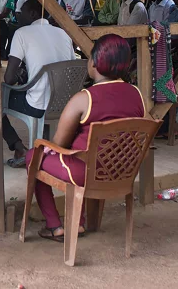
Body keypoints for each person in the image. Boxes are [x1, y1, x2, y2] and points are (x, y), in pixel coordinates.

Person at [24, 34, 145, 241]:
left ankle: (54, 225)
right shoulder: (137, 95)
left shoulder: (84, 99)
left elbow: (59, 144)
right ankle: (77, 223)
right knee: (83, 156)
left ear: (95, 63)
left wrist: (44, 145)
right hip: (121, 172)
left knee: (34, 155)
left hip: (85, 174)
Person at [0, 0, 76, 167]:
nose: (18, 15)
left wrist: (19, 74)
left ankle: (19, 147)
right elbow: (72, 69)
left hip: (37, 105)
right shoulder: (63, 34)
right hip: (64, 104)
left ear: (33, 13)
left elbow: (9, 79)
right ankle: (45, 146)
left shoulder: (22, 33)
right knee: (40, 88)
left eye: (21, 11)